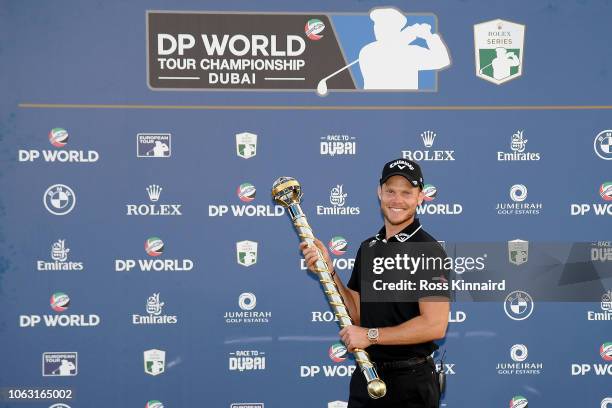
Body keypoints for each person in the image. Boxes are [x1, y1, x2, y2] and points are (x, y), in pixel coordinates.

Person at [301, 158, 450, 408]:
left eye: (407, 192)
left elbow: (434, 326)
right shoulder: (369, 248)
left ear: (420, 197)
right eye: (390, 190)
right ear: (379, 192)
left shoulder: (428, 251)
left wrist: (370, 336)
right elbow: (358, 314)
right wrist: (330, 272)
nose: (397, 200)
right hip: (368, 376)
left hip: (410, 383)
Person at [359, 8, 451, 90]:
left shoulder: (410, 52)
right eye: (376, 24)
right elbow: (389, 52)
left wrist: (429, 37)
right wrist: (416, 34)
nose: (377, 29)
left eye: (383, 25)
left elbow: (443, 60)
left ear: (396, 29)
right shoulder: (367, 51)